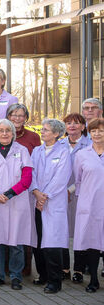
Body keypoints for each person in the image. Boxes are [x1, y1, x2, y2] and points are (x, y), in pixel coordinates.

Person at [0, 119, 34, 290]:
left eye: (8, 130)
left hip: (16, 200)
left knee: (16, 242)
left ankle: (16, 276)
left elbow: (27, 178)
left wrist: (9, 194)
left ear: (13, 133)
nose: (4, 134)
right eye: (1, 130)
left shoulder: (22, 151)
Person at [30, 118, 72, 294]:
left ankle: (55, 280)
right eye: (43, 130)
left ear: (56, 134)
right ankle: (43, 275)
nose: (43, 132)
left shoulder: (64, 152)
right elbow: (30, 172)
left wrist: (44, 196)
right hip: (37, 200)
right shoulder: (36, 151)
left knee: (53, 242)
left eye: (46, 130)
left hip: (53, 202)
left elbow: (62, 178)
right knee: (39, 240)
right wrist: (36, 192)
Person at [72, 117, 104, 293]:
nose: (97, 134)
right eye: (94, 131)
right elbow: (78, 180)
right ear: (89, 133)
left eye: (101, 130)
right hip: (89, 205)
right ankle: (93, 279)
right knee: (92, 242)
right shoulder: (82, 155)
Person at [63, 112, 90, 283]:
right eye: (69, 123)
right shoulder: (59, 144)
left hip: (80, 194)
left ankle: (79, 270)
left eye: (76, 123)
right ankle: (64, 268)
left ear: (83, 126)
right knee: (62, 232)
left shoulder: (90, 146)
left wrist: (70, 190)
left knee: (81, 232)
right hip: (60, 195)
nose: (72, 126)